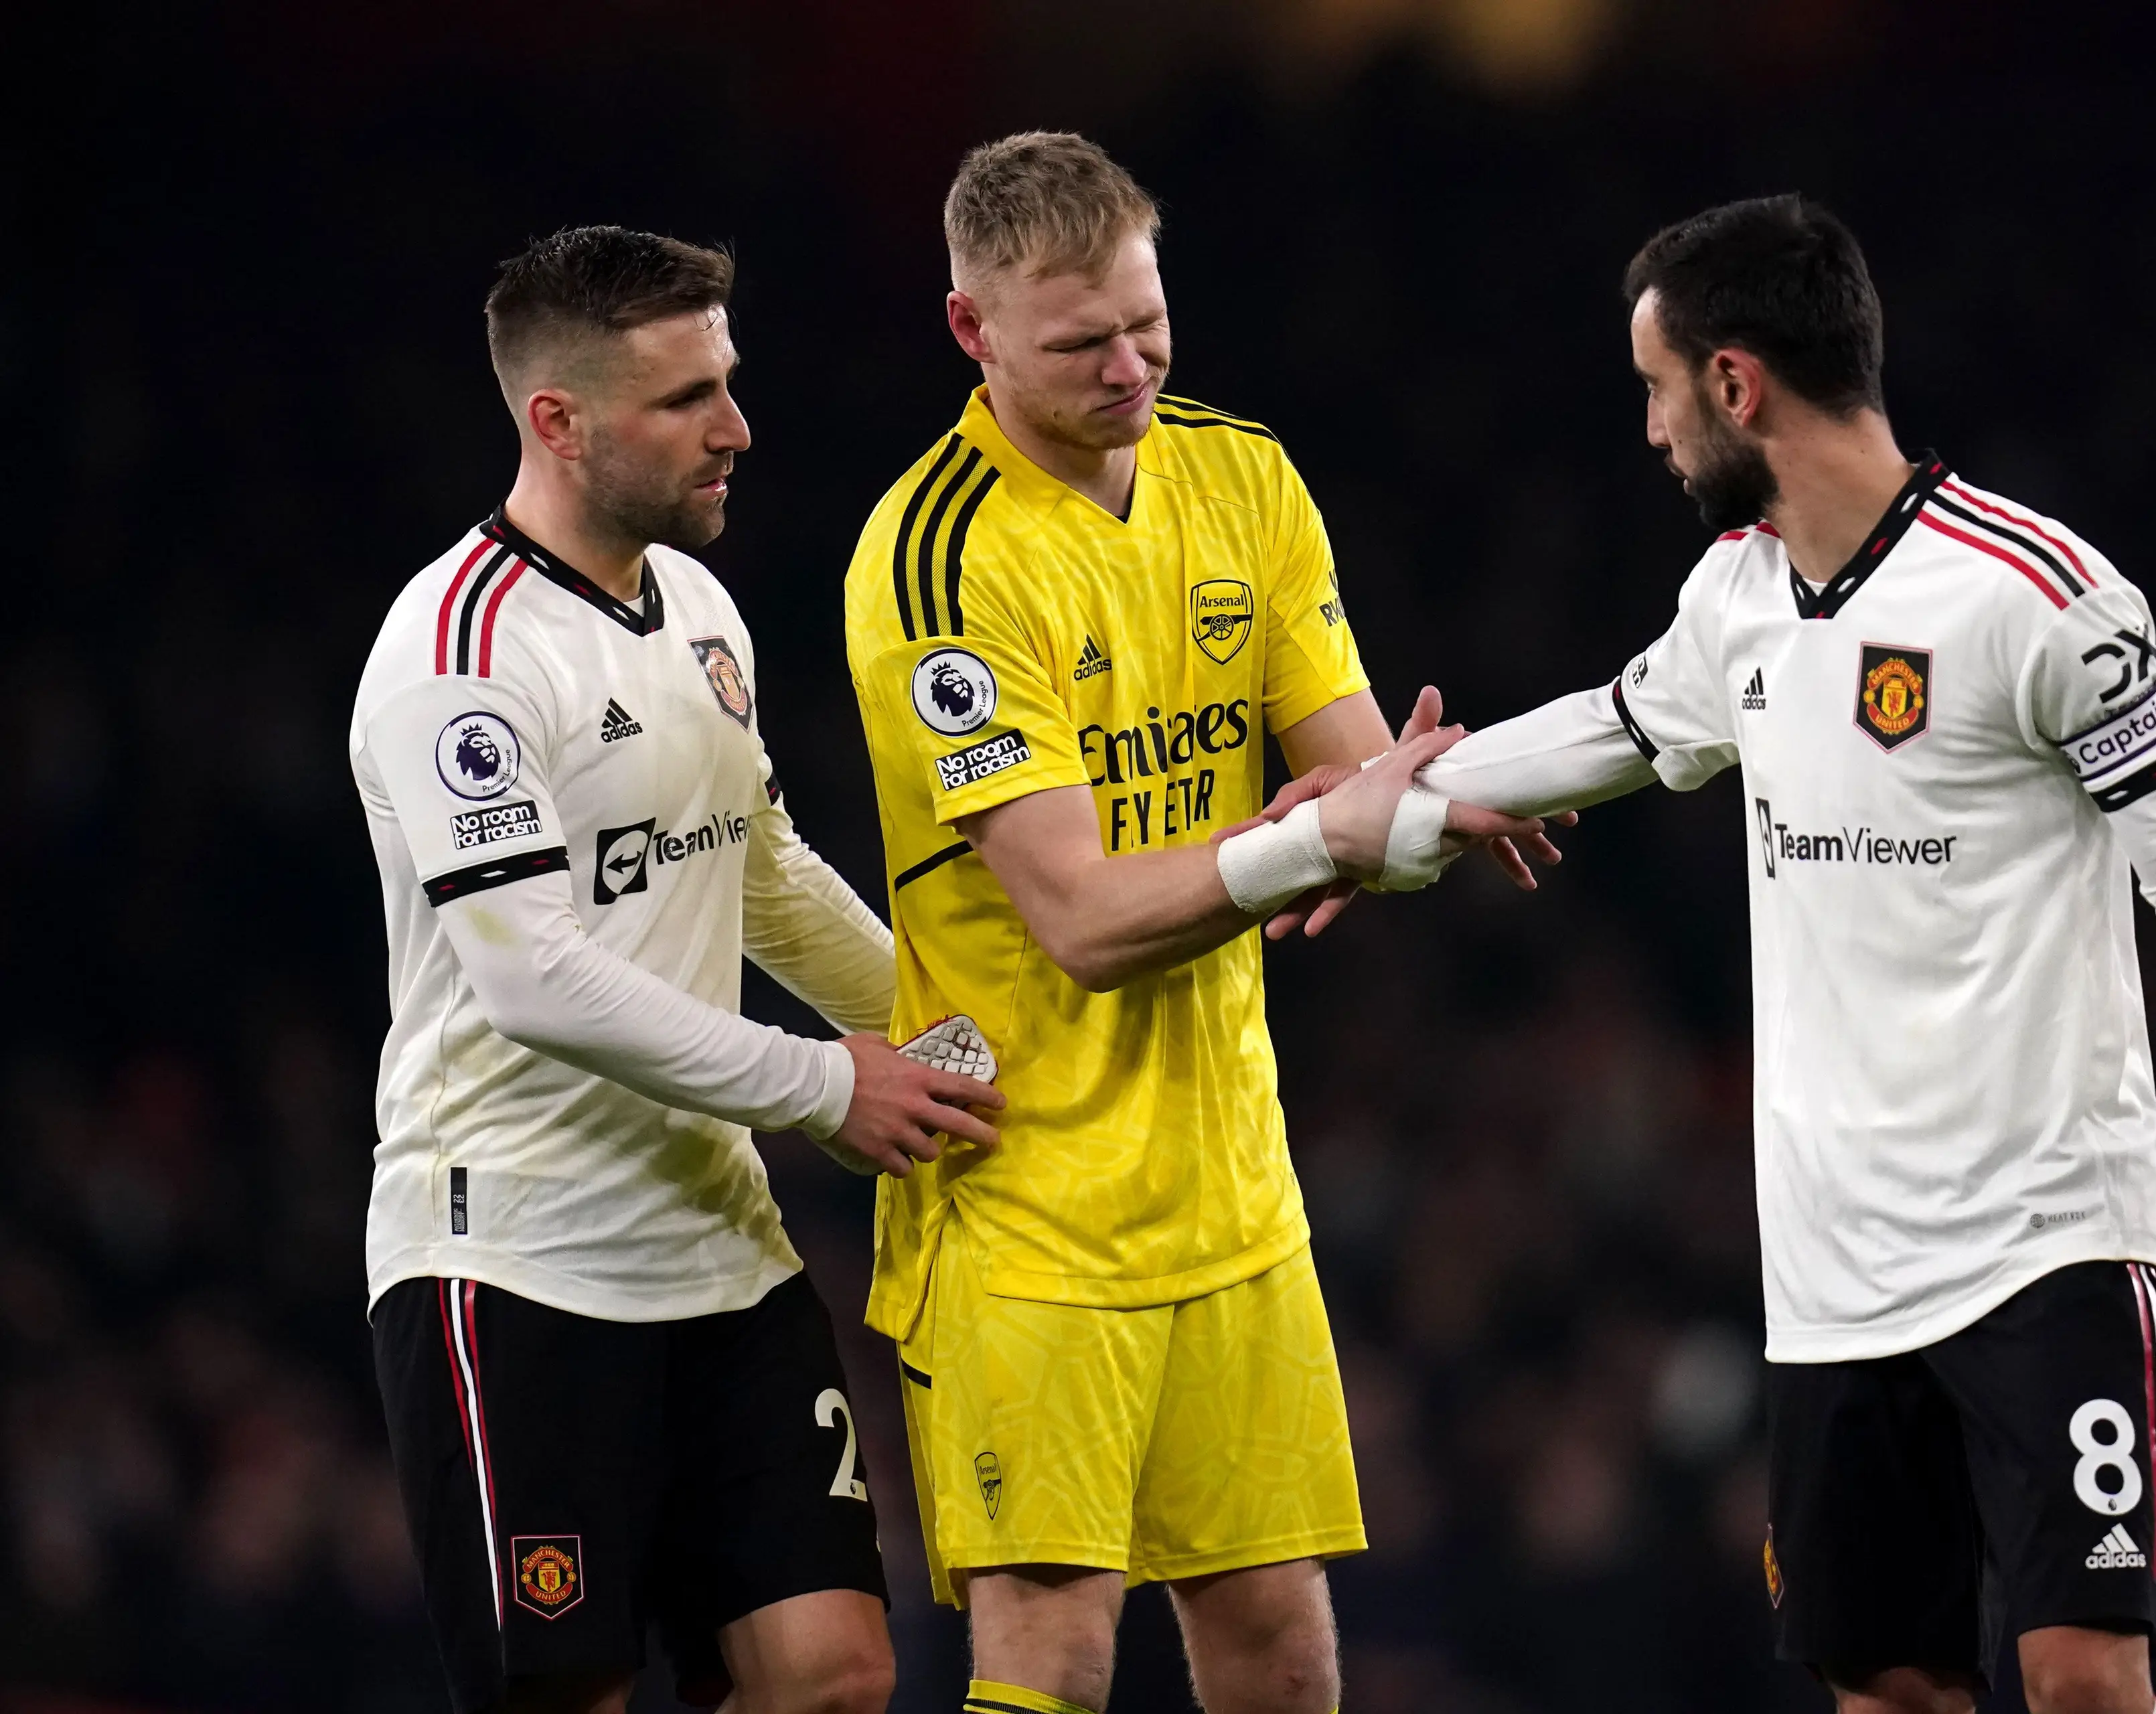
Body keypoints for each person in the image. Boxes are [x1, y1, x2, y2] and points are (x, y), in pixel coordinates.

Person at [1269, 195, 2156, 1714]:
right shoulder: (1736, 598)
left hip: (2047, 1242)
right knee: (1885, 1685)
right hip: (1833, 1275)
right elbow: (1615, 726)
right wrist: (1382, 800)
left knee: (2083, 1671)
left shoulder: (2044, 597)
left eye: (1658, 391)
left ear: (1736, 384)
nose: (1651, 432)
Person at [838, 133, 1551, 1714]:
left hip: (1232, 1185)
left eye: (1149, 321)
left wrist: (1438, 806)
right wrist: (1319, 843)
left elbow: (1356, 775)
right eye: (1080, 339)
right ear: (974, 331)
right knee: (1051, 1651)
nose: (1130, 363)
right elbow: (1082, 917)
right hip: (1026, 1193)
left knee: (1280, 1650)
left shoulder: (1240, 473)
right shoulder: (940, 563)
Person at [350, 226, 1002, 1714]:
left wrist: (968, 1021)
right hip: (515, 1255)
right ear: (556, 422)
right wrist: (824, 1083)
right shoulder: (460, 655)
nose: (736, 427)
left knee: (837, 1672)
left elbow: (757, 865)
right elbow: (533, 975)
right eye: (685, 399)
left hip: (719, 1246)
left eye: (729, 380)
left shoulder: (700, 610)